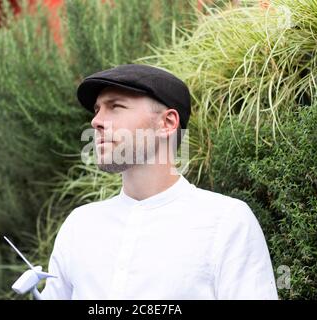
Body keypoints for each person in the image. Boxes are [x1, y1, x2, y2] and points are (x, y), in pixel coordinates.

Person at [41, 64, 278, 299]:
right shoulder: (79, 226)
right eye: (96, 110)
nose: (96, 122)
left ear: (167, 123)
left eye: (115, 107)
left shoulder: (226, 222)